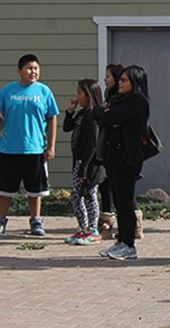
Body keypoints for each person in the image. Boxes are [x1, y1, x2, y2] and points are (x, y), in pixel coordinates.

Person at [93, 65, 150, 260]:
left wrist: (107, 114)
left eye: (125, 80)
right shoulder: (117, 98)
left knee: (126, 202)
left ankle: (129, 244)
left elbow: (111, 117)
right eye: (120, 79)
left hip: (128, 157)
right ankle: (121, 240)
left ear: (135, 82)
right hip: (112, 156)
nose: (120, 82)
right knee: (118, 199)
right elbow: (99, 115)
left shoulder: (138, 101)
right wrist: (105, 112)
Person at [0, 54, 59, 236]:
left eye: (36, 68)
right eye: (29, 68)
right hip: (9, 148)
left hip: (35, 148)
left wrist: (51, 146)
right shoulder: (8, 91)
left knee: (35, 190)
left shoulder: (44, 92)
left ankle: (36, 221)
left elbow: (52, 118)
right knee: (5, 190)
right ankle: (1, 220)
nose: (33, 72)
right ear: (19, 71)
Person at [63, 79, 104, 245]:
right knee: (76, 195)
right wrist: (70, 111)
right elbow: (67, 127)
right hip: (79, 162)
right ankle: (83, 228)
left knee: (89, 194)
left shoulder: (93, 116)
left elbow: (92, 145)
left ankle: (93, 230)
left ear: (89, 95)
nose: (77, 96)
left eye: (80, 93)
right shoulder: (81, 114)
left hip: (90, 164)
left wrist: (84, 169)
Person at [97, 63, 124, 239]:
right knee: (105, 184)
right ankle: (106, 219)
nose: (106, 80)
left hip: (119, 149)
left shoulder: (122, 98)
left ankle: (131, 226)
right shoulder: (108, 95)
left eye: (108, 77)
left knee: (119, 187)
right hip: (105, 146)